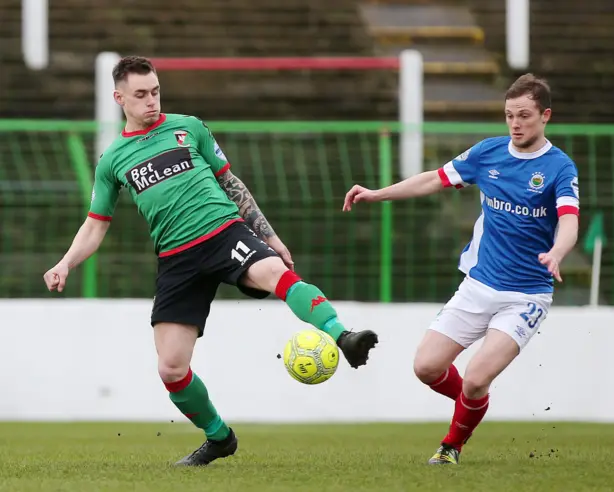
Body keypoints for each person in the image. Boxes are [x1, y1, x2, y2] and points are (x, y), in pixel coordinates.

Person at [43, 55, 378, 467]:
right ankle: (219, 438)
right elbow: (95, 225)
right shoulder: (113, 161)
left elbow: (230, 183)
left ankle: (343, 336)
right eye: (141, 95)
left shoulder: (190, 127)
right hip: (176, 260)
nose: (152, 101)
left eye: (156, 91)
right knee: (170, 368)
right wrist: (65, 263)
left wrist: (269, 235)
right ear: (119, 98)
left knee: (276, 272)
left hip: (224, 233)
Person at [342, 74, 579, 465]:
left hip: (526, 295)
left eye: (524, 115)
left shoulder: (559, 167)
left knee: (475, 377)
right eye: (509, 116)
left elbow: (569, 219)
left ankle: (451, 445)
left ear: (545, 116)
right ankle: (474, 403)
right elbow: (433, 180)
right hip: (478, 285)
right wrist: (377, 193)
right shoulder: (488, 153)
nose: (515, 124)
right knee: (426, 366)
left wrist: (557, 251)